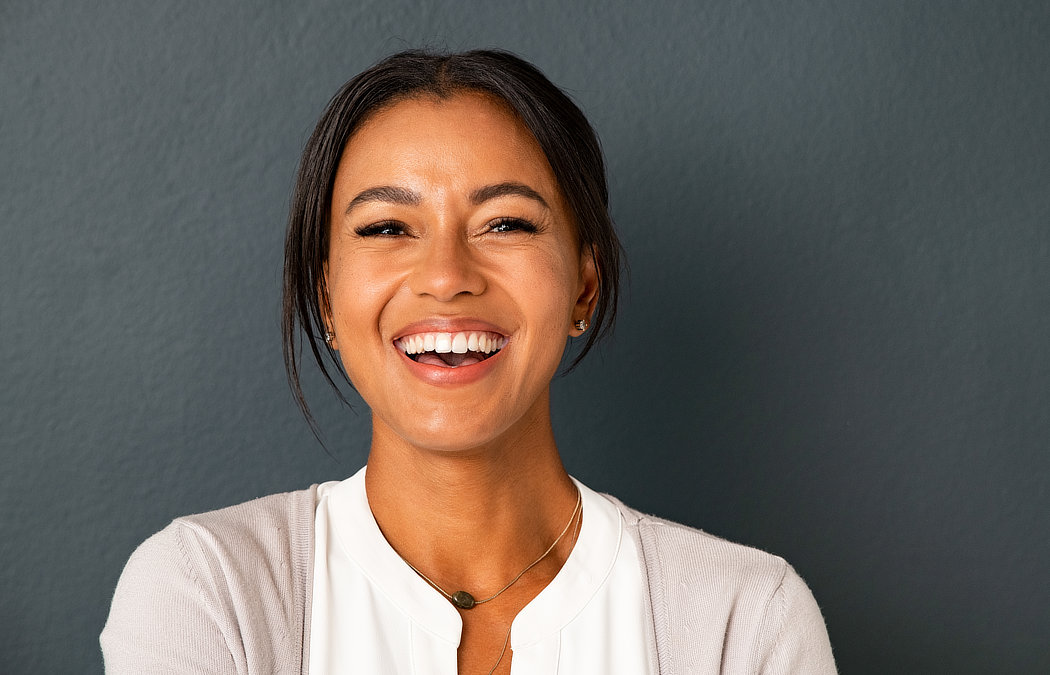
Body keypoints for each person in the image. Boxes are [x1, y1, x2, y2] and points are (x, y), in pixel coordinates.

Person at [101, 49, 836, 674]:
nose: (447, 275)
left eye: (506, 223)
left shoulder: (744, 621)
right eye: (388, 226)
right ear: (326, 296)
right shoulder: (207, 590)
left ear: (584, 283)